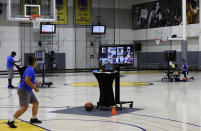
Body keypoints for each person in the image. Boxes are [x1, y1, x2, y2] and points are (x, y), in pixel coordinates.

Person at [7, 56, 42, 128]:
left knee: (35, 103)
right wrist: (35, 87)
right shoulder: (30, 70)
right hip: (23, 90)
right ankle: (11, 121)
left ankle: (33, 118)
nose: (37, 63)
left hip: (28, 90)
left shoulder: (30, 68)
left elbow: (28, 80)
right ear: (34, 62)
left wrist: (35, 83)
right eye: (36, 61)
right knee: (24, 107)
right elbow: (26, 80)